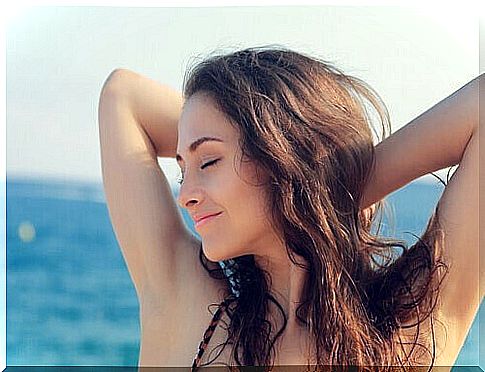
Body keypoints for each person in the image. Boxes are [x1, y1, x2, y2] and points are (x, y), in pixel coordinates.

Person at [97, 46, 481, 371]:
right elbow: (122, 95)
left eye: (208, 162)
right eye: (182, 170)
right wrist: (328, 192)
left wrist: (326, 183)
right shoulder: (184, 303)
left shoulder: (409, 331)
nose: (185, 195)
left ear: (282, 160)